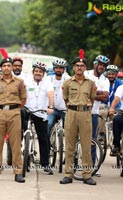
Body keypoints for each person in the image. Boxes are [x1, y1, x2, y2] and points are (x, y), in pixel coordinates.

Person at [0, 57, 27, 183]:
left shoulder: (19, 82)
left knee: (15, 144)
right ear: (1, 68)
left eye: (9, 66)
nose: (7, 68)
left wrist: (15, 108)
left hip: (14, 113)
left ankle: (18, 172)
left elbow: (23, 98)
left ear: (12, 67)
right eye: (4, 66)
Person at [60, 52, 97, 185]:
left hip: (85, 114)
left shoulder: (91, 83)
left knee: (86, 146)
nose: (79, 68)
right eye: (77, 65)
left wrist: (85, 109)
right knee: (70, 145)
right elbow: (66, 99)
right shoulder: (68, 82)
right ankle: (68, 174)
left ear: (85, 68)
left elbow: (92, 99)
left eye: (82, 65)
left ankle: (87, 175)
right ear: (73, 68)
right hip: (71, 113)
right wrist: (73, 109)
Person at [22, 61, 54, 175]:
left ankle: (45, 164)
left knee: (43, 138)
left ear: (43, 73)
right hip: (27, 111)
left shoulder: (47, 82)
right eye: (36, 71)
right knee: (20, 131)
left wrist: (50, 107)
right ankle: (23, 153)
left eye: (40, 71)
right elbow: (21, 92)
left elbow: (51, 94)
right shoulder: (27, 81)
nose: (38, 73)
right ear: (33, 72)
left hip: (41, 113)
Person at [47, 58, 70, 142]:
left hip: (65, 110)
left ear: (64, 70)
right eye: (56, 68)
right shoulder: (48, 79)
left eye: (60, 68)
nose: (58, 69)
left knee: (69, 128)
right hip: (52, 109)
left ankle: (70, 149)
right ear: (54, 69)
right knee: (48, 125)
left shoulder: (68, 79)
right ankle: (48, 147)